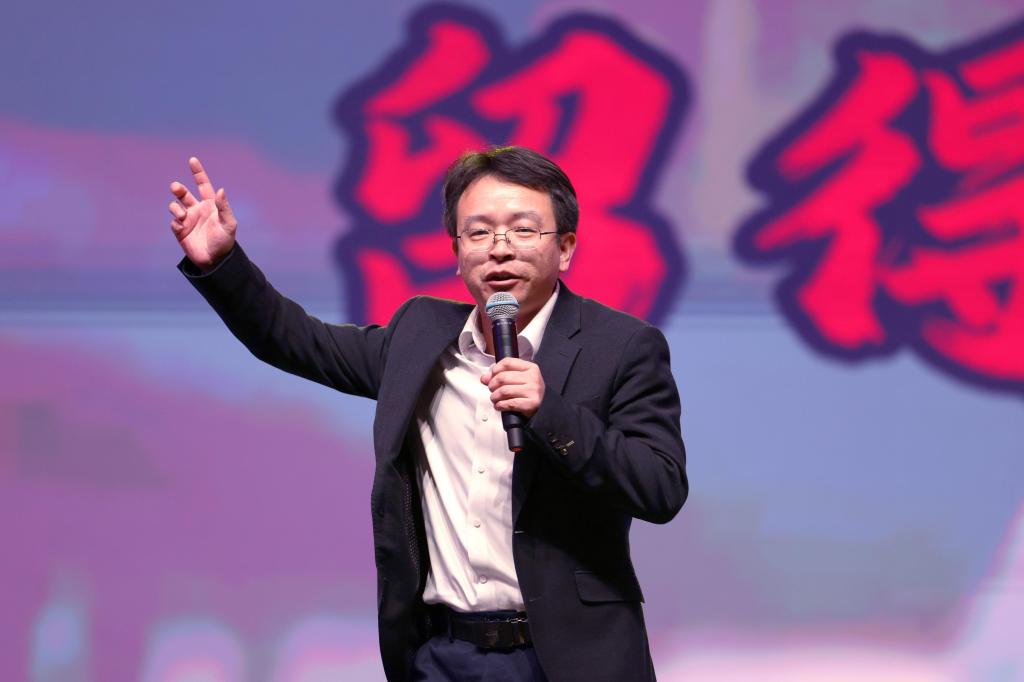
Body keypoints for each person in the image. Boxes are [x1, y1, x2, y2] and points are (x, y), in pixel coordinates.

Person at [168, 146, 687, 681]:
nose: (500, 249)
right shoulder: (420, 335)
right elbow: (296, 340)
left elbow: (660, 487)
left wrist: (549, 412)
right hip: (444, 656)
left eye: (523, 230)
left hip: (569, 659)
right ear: (457, 251)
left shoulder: (622, 346)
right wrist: (222, 263)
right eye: (479, 232)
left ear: (565, 248)